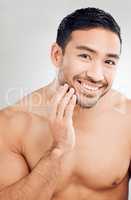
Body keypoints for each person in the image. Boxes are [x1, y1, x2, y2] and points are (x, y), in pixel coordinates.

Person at [0, 7, 130, 200]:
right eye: (85, 56)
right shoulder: (11, 124)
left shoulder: (127, 118)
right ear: (57, 55)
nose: (96, 75)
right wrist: (58, 150)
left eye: (109, 61)